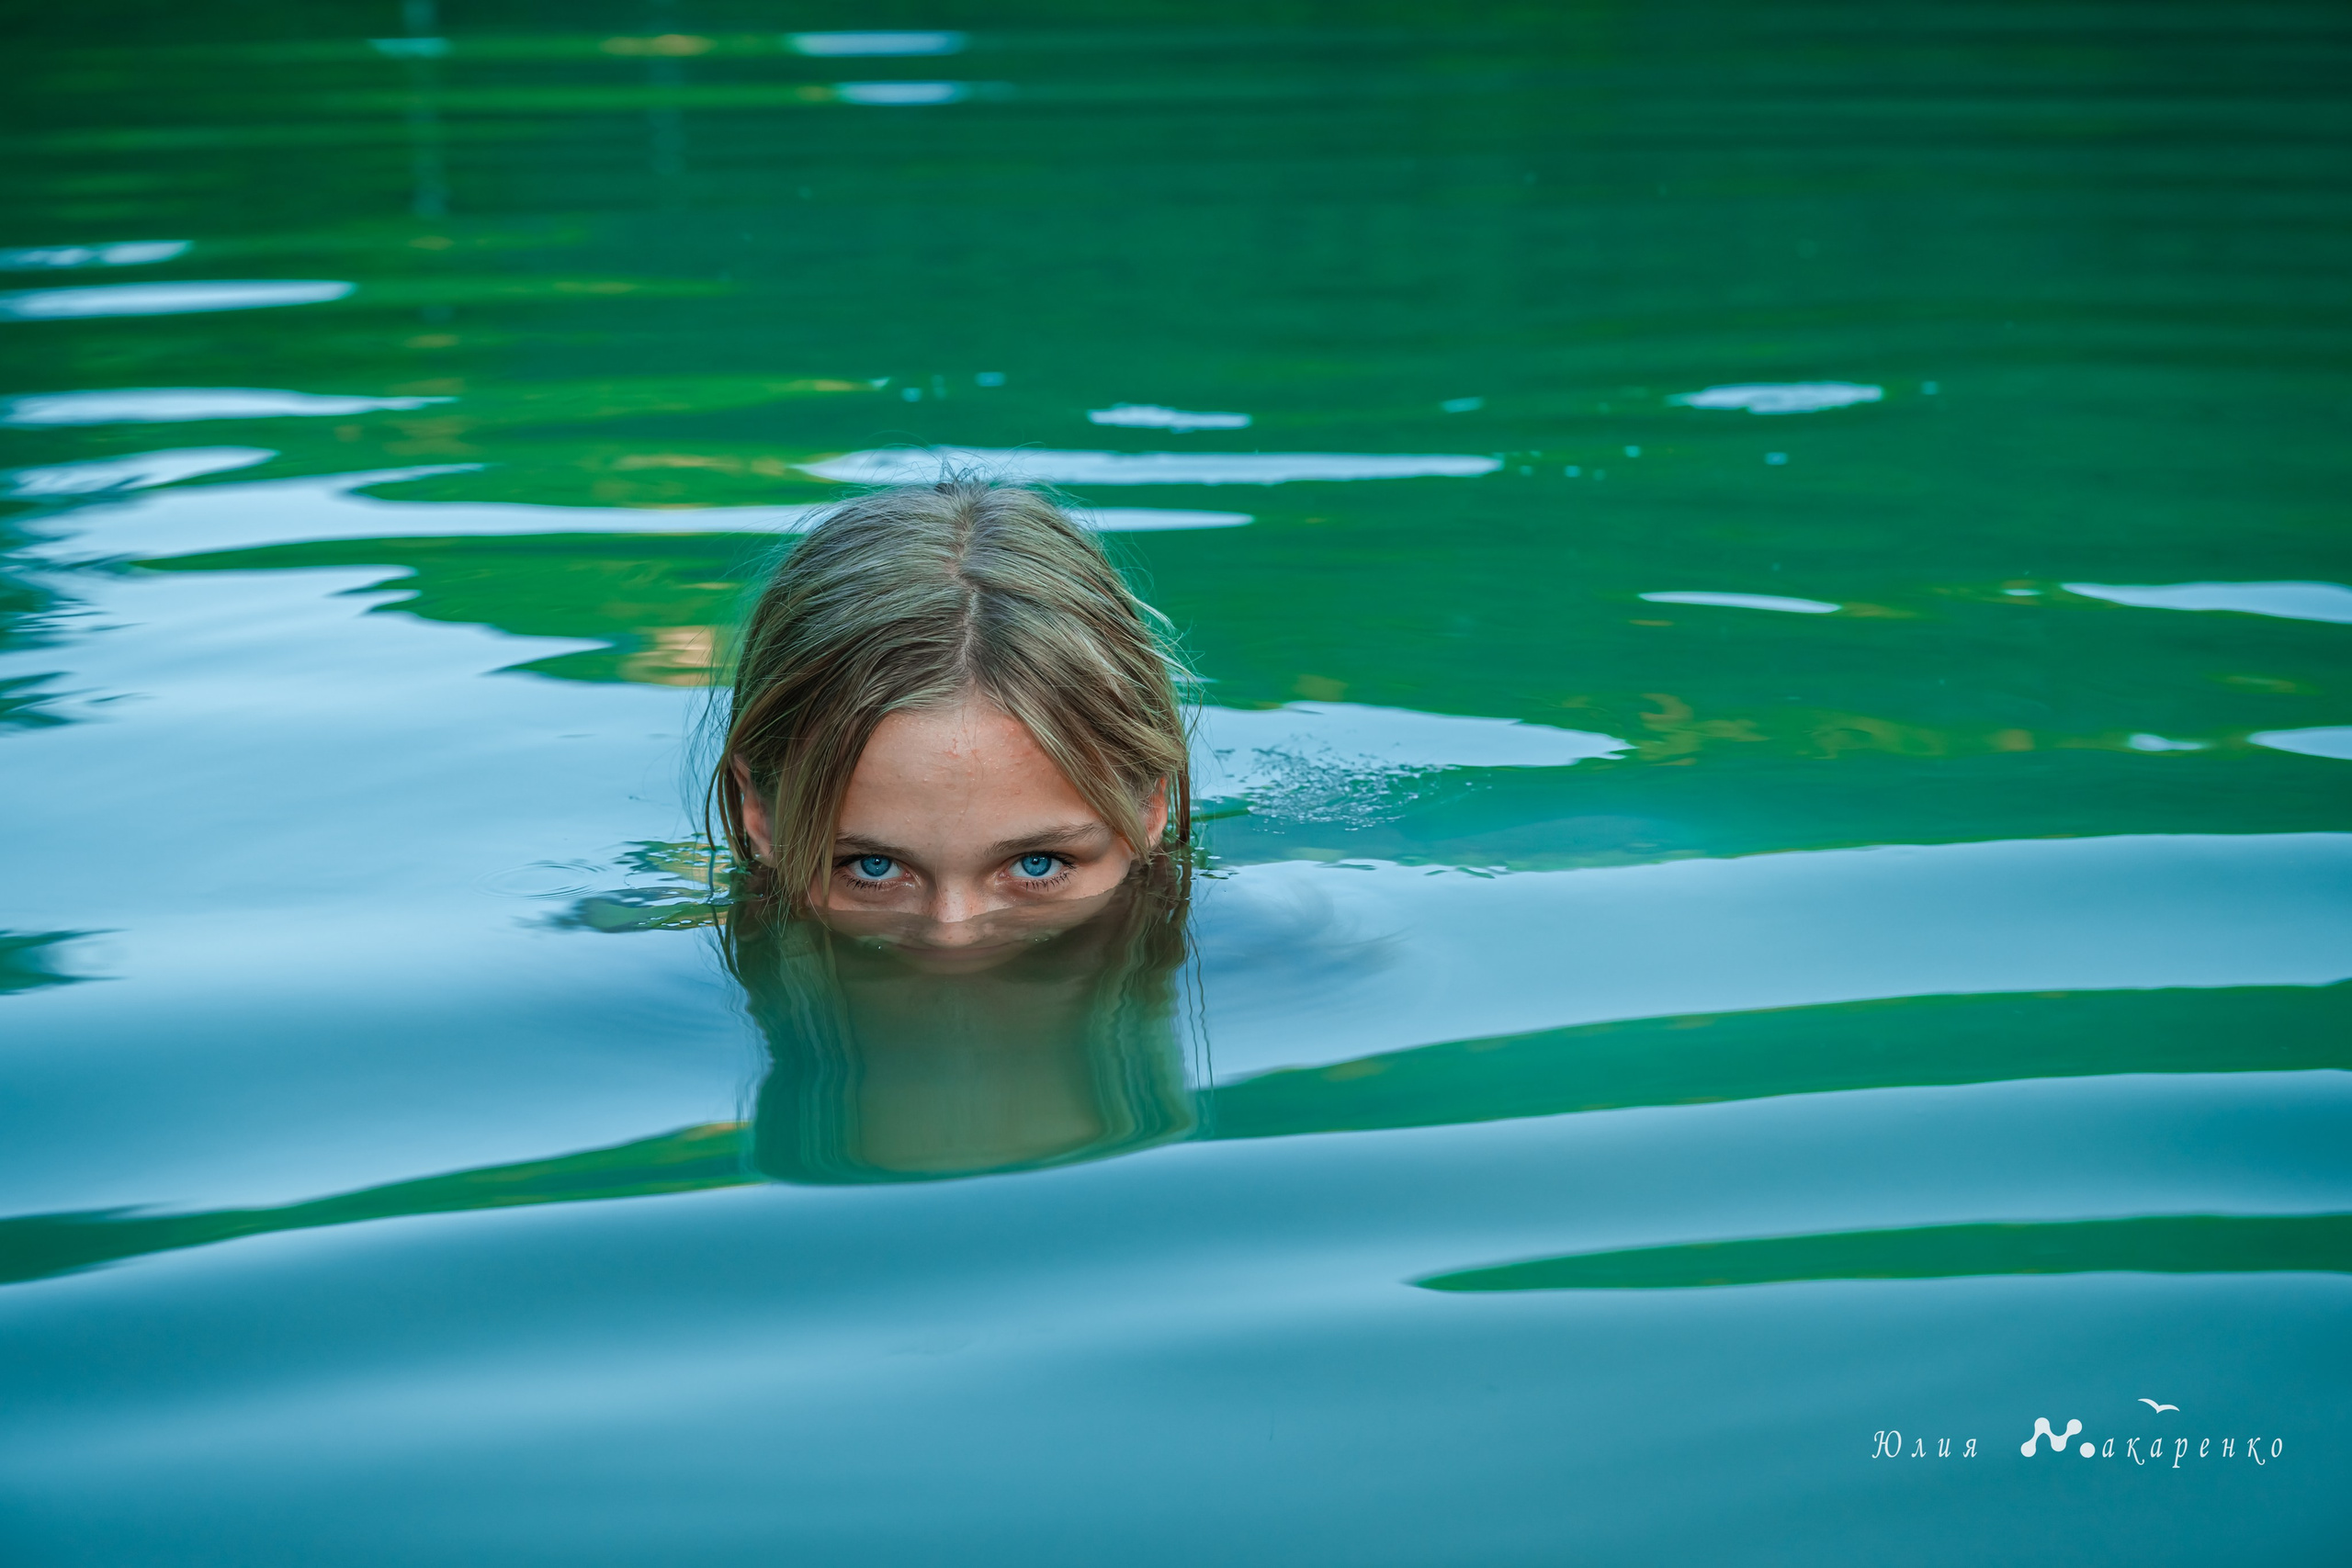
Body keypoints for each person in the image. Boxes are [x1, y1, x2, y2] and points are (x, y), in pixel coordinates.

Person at [709, 477, 1200, 1180]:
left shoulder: (1278, 967)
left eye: (1036, 863)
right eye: (873, 867)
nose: (954, 936)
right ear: (759, 813)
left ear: (1150, 807)